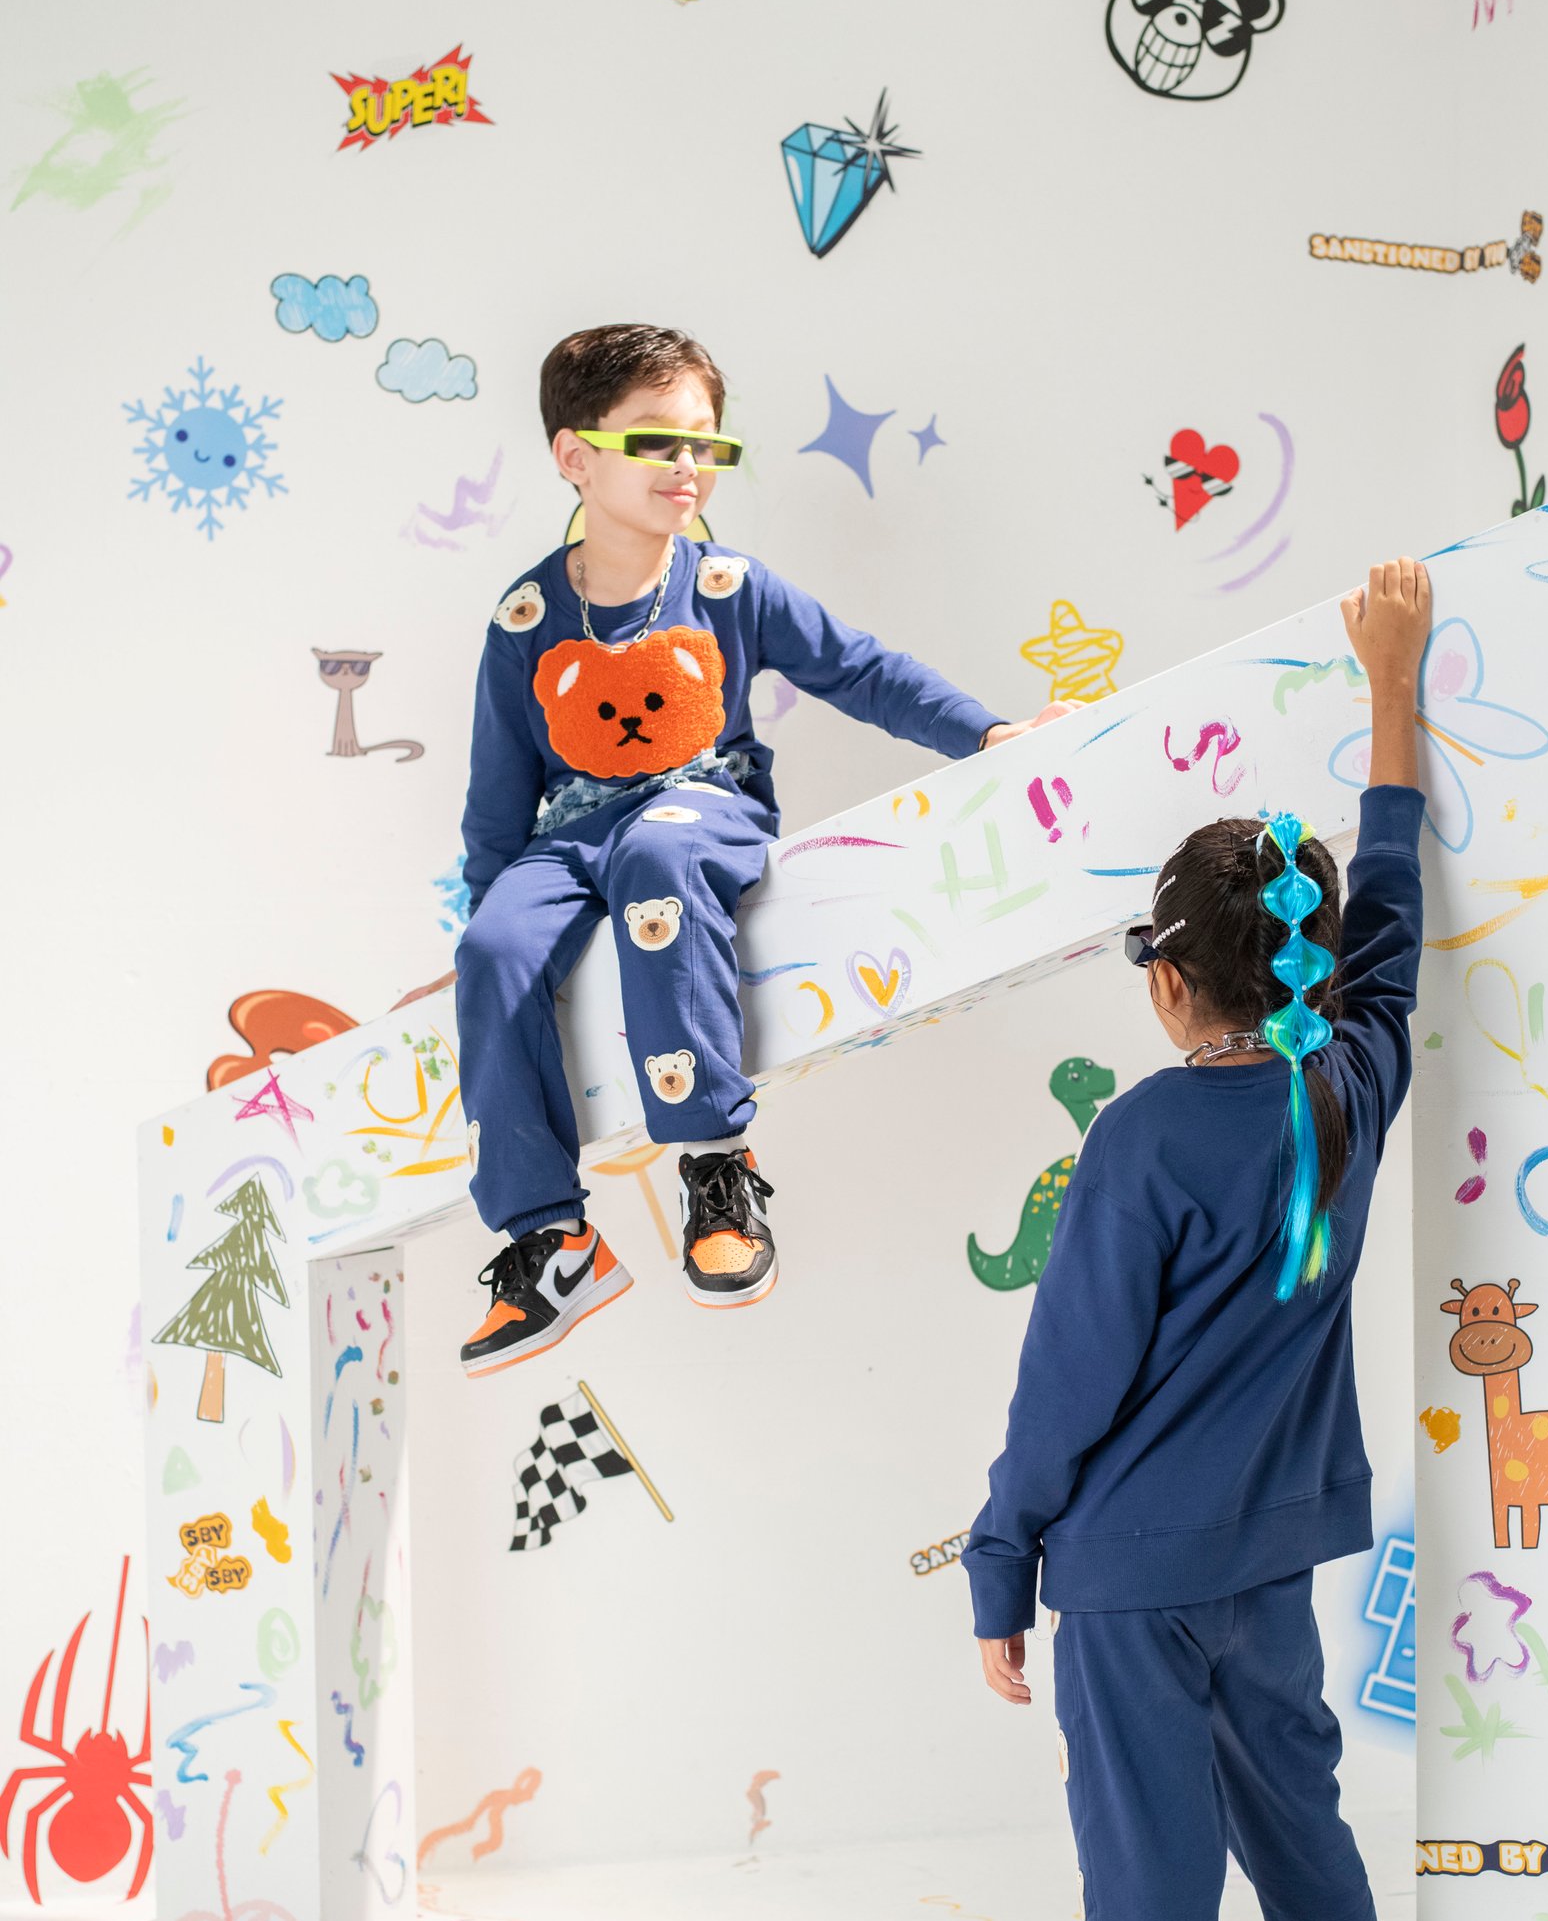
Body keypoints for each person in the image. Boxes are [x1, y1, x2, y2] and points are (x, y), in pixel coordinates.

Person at [960, 559, 1434, 1921]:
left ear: (1169, 986)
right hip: (1264, 1568)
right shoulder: (1350, 1088)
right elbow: (1393, 922)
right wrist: (1393, 689)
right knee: (1297, 1817)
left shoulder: (1146, 1137)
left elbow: (1066, 1383)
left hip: (1127, 1580)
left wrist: (1000, 1559)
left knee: (1152, 1875)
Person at [395, 323, 1066, 1375]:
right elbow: (498, 800)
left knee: (655, 864)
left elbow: (862, 670)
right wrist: (489, 928)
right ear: (575, 457)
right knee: (494, 948)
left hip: (699, 808)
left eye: (704, 443)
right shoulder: (525, 619)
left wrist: (982, 733)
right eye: (655, 442)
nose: (688, 466)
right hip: (570, 834)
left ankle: (715, 1169)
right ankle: (550, 1241)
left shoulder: (726, 586)